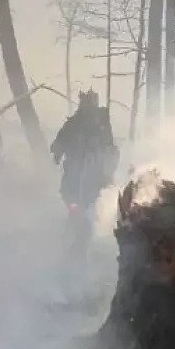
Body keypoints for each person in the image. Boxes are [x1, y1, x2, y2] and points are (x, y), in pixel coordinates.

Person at [51, 89, 120, 249]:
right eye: (85, 102)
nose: (86, 105)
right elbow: (60, 141)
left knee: (89, 207)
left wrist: (106, 172)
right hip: (75, 175)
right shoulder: (74, 122)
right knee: (74, 204)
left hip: (93, 175)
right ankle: (75, 236)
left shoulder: (101, 123)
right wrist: (57, 152)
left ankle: (87, 239)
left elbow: (110, 150)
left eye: (89, 102)